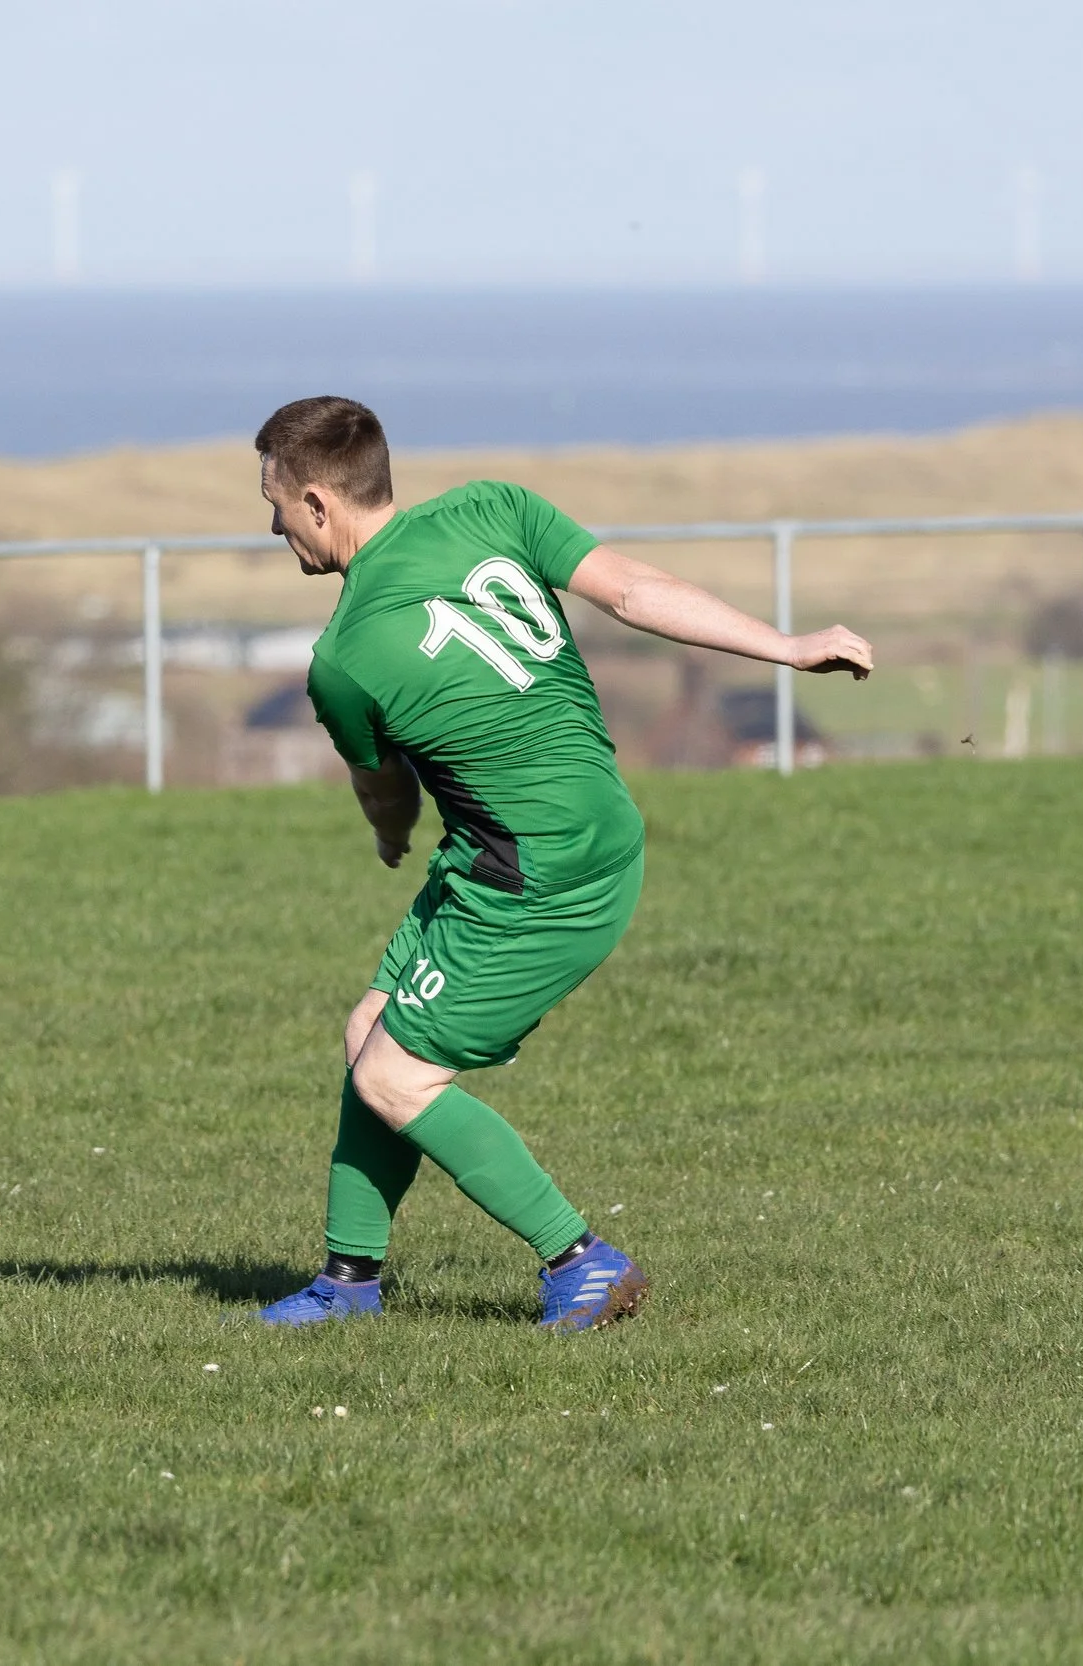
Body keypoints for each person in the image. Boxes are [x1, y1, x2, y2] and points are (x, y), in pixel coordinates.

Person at [252, 396, 873, 1332]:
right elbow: (630, 589)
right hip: (592, 833)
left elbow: (385, 793)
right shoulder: (494, 508)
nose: (270, 525)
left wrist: (387, 837)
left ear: (316, 502)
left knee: (395, 1079)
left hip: (530, 879)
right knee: (371, 1029)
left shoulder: (343, 658)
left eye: (272, 505)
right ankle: (348, 1282)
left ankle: (580, 1261)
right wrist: (787, 647)